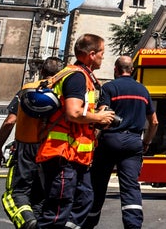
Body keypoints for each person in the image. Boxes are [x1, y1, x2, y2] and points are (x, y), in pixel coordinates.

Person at [37, 34, 117, 229]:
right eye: (101, 53)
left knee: (84, 199)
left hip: (74, 157)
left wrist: (96, 117)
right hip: (63, 154)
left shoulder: (79, 76)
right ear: (91, 54)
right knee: (58, 211)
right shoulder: (77, 77)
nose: (103, 57)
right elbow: (73, 113)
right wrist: (99, 117)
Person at [83, 56, 158, 229]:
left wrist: (94, 139)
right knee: (130, 187)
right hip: (133, 142)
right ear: (131, 70)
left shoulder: (109, 88)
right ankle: (133, 225)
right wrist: (146, 142)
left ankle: (89, 221)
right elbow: (154, 122)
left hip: (110, 140)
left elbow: (102, 116)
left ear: (115, 69)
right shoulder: (143, 90)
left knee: (98, 183)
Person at [0, 56, 65, 229]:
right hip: (50, 149)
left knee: (16, 194)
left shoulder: (27, 90)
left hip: (26, 147)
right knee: (40, 197)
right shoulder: (61, 93)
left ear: (41, 71)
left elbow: (10, 121)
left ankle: (28, 223)